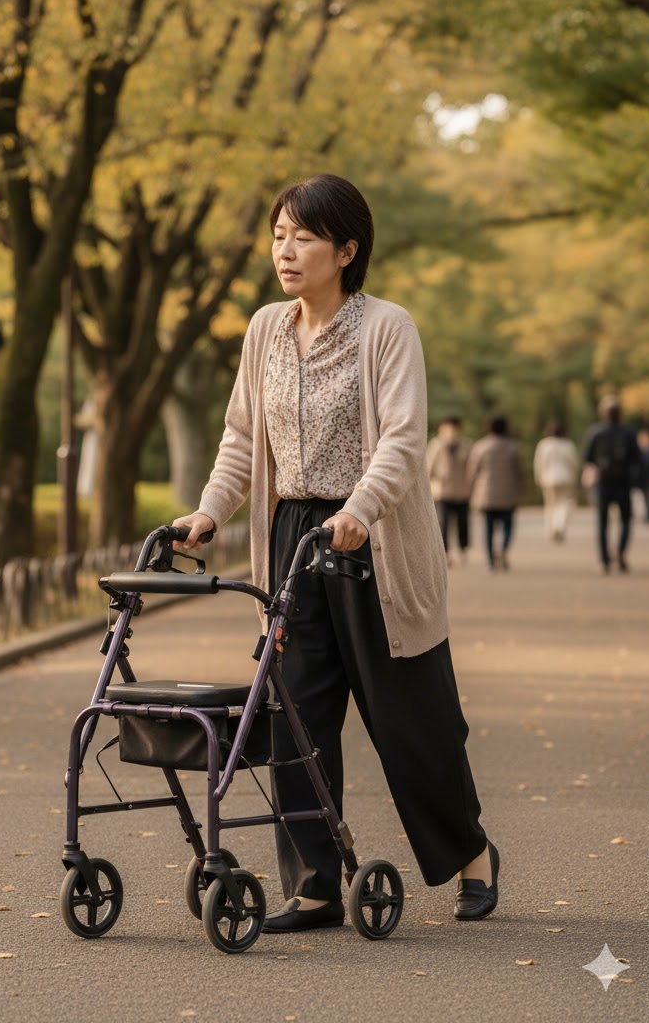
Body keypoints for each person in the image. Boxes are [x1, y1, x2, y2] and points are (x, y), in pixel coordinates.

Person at [171, 174, 496, 931]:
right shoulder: (264, 329)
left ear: (347, 250)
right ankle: (315, 884)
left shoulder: (387, 327)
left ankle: (472, 855)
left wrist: (358, 510)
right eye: (280, 234)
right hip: (293, 542)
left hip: (373, 544)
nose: (286, 250)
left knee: (413, 721)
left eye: (304, 237)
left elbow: (404, 441)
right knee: (297, 719)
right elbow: (242, 441)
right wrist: (209, 512)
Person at [582, 395, 640, 573]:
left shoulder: (595, 432)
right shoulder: (628, 433)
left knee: (602, 522)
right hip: (623, 482)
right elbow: (636, 459)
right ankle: (620, 551)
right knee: (626, 520)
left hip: (603, 482)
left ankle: (604, 560)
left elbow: (588, 457)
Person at [467, 416, 525, 571]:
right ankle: (504, 548)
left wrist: (471, 490)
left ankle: (491, 561)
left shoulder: (480, 447)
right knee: (508, 525)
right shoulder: (512, 447)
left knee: (488, 529)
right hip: (507, 494)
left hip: (486, 494)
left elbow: (472, 471)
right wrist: (520, 489)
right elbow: (519, 472)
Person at [427, 415, 472, 564]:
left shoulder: (465, 445)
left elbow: (470, 467)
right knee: (443, 523)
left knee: (462, 523)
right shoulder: (436, 445)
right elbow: (428, 468)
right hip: (442, 492)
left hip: (461, 491)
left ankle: (463, 549)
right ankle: (445, 553)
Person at [532, 421, 579, 543]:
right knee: (565, 503)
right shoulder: (568, 445)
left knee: (550, 505)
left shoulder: (544, 445)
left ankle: (551, 529)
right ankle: (560, 524)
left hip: (548, 478)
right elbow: (574, 463)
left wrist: (538, 478)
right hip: (566, 478)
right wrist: (575, 477)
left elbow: (539, 464)